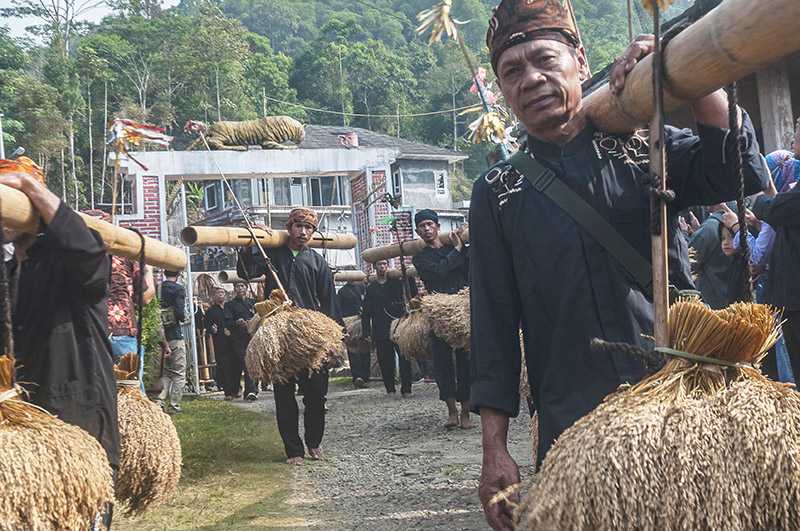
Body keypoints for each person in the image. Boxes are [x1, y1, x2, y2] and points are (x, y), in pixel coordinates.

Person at [470, 2, 770, 528]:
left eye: (544, 60)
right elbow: (492, 322)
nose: (532, 79)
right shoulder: (497, 192)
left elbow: (734, 171)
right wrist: (494, 447)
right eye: (512, 72)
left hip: (677, 395)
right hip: (572, 415)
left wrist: (677, 72)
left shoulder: (641, 145)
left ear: (579, 62)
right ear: (501, 90)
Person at [0, 167, 119, 527]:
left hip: (79, 424)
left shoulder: (70, 262)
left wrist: (28, 186)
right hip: (25, 438)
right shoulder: (8, 273)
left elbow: (88, 250)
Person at [238, 207, 341, 465]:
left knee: (316, 395)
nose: (303, 232)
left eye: (308, 228)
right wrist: (254, 242)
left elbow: (329, 302)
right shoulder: (272, 253)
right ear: (289, 227)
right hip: (280, 335)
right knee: (284, 395)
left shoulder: (318, 262)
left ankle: (314, 443)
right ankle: (293, 450)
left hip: (311, 338)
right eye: (298, 226)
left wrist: (333, 340)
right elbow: (244, 271)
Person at [411, 209, 472, 429]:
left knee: (466, 361)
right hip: (438, 314)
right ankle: (451, 412)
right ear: (418, 232)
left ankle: (466, 412)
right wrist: (456, 250)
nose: (426, 229)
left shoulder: (456, 247)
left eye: (430, 224)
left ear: (437, 226)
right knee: (442, 362)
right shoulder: (420, 259)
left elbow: (469, 270)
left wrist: (461, 246)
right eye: (422, 226)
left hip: (461, 311)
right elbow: (439, 272)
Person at [362, 259, 417, 397]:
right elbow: (366, 311)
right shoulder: (371, 288)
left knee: (405, 359)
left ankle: (406, 389)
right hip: (380, 329)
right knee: (386, 361)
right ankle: (390, 389)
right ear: (375, 267)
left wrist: (406, 274)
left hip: (398, 326)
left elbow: (411, 290)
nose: (383, 267)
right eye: (380, 264)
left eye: (385, 264)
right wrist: (366, 331)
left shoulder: (395, 283)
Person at [688, 205, 736, 309]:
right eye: (723, 238)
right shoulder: (734, 223)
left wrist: (685, 235)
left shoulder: (709, 227)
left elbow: (689, 262)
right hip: (729, 299)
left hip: (711, 301)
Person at [158, 270, 187, 413]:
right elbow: (180, 313)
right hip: (175, 334)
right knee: (179, 373)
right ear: (179, 274)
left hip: (160, 336)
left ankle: (160, 401)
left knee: (166, 373)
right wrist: (182, 318)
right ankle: (175, 404)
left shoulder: (158, 288)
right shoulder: (178, 289)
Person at [224, 281, 258, 401]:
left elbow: (260, 317)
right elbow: (227, 322)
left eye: (242, 286)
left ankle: (253, 389)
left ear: (246, 288)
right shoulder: (230, 305)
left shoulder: (253, 303)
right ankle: (250, 390)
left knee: (253, 362)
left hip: (253, 337)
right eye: (237, 286)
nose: (240, 288)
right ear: (234, 289)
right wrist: (237, 323)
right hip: (238, 339)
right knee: (245, 362)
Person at [337, 277, 370, 388]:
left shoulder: (362, 288)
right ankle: (357, 376)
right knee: (353, 349)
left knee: (365, 347)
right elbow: (339, 308)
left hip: (363, 321)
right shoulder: (342, 291)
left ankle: (365, 376)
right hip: (349, 323)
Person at [206, 286, 232, 397]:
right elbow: (207, 325)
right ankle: (227, 391)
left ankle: (236, 388)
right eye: (218, 293)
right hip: (220, 341)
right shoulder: (211, 311)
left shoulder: (230, 307)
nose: (220, 294)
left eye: (222, 292)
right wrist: (212, 329)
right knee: (224, 366)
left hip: (233, 340)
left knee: (234, 365)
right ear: (214, 296)